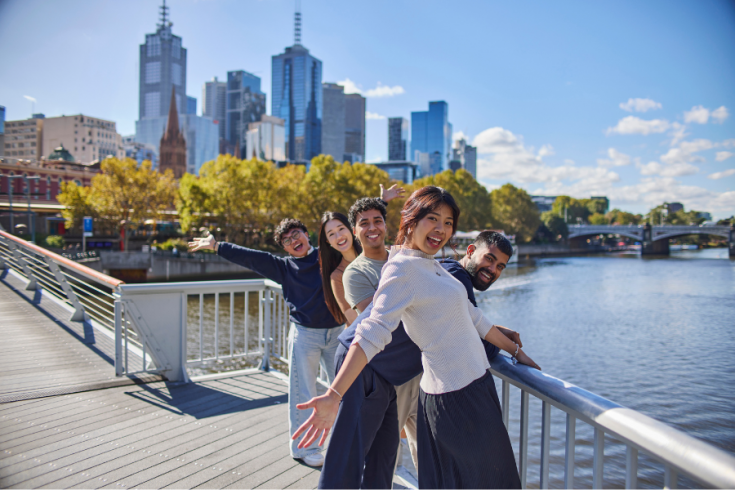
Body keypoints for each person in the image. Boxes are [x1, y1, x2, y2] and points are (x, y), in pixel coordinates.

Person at [294, 186, 540, 488]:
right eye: (433, 219)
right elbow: (372, 330)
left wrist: (515, 351)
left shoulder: (429, 263)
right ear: (411, 220)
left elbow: (472, 317)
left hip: (448, 383)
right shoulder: (401, 269)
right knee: (489, 482)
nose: (441, 229)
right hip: (421, 384)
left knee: (403, 466)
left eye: (448, 223)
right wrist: (334, 394)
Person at [188, 218, 341, 468]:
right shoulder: (283, 267)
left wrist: (381, 202)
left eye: (296, 235)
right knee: (304, 392)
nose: (294, 242)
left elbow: (353, 235)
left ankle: (350, 444)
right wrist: (217, 246)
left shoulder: (329, 255)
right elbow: (250, 257)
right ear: (285, 248)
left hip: (337, 332)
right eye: (287, 241)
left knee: (346, 391)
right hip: (305, 335)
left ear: (306, 234)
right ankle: (304, 448)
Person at [318, 184, 404, 328]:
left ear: (349, 230)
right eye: (331, 234)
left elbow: (370, 219)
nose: (339, 236)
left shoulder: (395, 255)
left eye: (340, 229)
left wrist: (382, 201)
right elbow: (358, 320)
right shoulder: (343, 275)